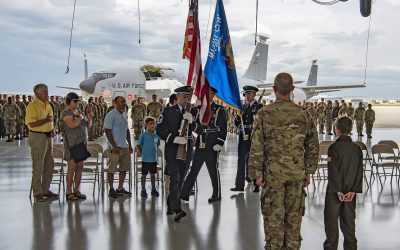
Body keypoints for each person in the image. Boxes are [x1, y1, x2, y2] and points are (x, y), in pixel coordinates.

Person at [248, 73, 319, 250]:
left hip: (272, 179)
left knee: (274, 222)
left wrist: (257, 174)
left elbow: (256, 146)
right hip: (296, 177)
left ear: (274, 89)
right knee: (293, 222)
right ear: (292, 90)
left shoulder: (264, 114)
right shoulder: (304, 114)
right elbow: (313, 144)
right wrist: (309, 171)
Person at [181, 87, 227, 203]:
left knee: (213, 170)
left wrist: (220, 142)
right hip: (200, 140)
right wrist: (189, 116)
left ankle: (216, 194)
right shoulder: (198, 108)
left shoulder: (219, 109)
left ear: (213, 95)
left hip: (212, 142)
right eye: (206, 94)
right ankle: (184, 194)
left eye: (210, 94)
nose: (208, 96)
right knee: (194, 169)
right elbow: (191, 123)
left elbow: (223, 127)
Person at [156, 86, 195, 222]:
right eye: (184, 96)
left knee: (181, 178)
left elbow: (198, 129)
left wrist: (193, 122)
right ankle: (177, 209)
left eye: (188, 97)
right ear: (177, 97)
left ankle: (170, 204)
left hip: (187, 149)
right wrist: (173, 138)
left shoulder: (192, 111)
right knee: (175, 178)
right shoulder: (168, 111)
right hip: (172, 150)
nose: (186, 99)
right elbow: (159, 130)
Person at [323, 116, 363, 250]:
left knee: (331, 224)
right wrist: (352, 191)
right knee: (349, 226)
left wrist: (338, 191)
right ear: (351, 129)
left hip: (335, 192)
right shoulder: (357, 149)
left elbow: (333, 171)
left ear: (337, 130)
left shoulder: (333, 148)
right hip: (350, 193)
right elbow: (359, 171)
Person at [25, 83, 58, 202]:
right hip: (37, 137)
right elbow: (32, 124)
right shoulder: (32, 106)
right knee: (38, 165)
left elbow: (51, 121)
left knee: (50, 165)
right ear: (37, 93)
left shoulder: (48, 105)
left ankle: (45, 189)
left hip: (48, 138)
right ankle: (37, 193)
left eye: (47, 91)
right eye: (45, 91)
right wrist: (45, 121)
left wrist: (52, 129)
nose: (47, 93)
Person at [61, 92, 93, 201]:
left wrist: (89, 118)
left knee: (80, 167)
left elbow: (88, 125)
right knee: (71, 168)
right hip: (71, 145)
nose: (78, 103)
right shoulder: (66, 112)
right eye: (75, 101)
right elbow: (72, 124)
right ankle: (69, 192)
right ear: (69, 101)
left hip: (81, 144)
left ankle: (76, 190)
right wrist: (80, 117)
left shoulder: (79, 112)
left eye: (78, 101)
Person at [231, 85, 263, 192]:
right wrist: (237, 116)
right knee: (241, 160)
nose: (247, 96)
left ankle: (256, 184)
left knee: (254, 160)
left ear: (254, 94)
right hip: (243, 135)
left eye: (249, 94)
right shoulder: (242, 107)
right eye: (245, 94)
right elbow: (236, 123)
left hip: (254, 135)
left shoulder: (259, 107)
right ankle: (239, 185)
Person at [104, 96, 133, 198]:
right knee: (111, 169)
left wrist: (130, 144)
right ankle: (111, 189)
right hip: (114, 148)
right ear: (115, 103)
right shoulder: (110, 115)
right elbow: (107, 131)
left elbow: (127, 130)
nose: (124, 103)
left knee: (124, 169)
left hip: (124, 147)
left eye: (124, 101)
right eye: (122, 101)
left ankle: (120, 188)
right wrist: (114, 145)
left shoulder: (124, 114)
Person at [138, 116, 161, 198]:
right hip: (145, 159)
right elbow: (139, 145)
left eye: (154, 123)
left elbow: (157, 145)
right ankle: (143, 190)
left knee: (153, 175)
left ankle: (153, 189)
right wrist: (142, 153)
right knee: (144, 175)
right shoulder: (143, 135)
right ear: (146, 125)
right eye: (150, 124)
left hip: (153, 159)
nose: (153, 125)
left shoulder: (156, 136)